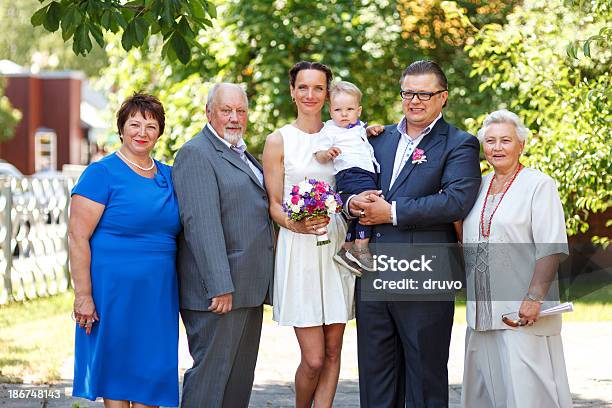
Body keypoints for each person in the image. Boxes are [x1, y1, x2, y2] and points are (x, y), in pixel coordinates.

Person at [349, 60, 481, 407]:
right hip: (373, 276)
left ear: (443, 98)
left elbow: (456, 201)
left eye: (425, 93)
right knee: (375, 377)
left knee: (425, 378)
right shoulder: (375, 140)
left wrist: (391, 213)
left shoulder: (459, 144)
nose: (415, 101)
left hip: (425, 275)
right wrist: (352, 202)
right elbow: (351, 179)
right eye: (408, 92)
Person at [69, 93, 180, 407]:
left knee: (152, 375)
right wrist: (84, 296)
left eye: (151, 126)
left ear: (159, 132)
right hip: (112, 293)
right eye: (134, 124)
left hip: (158, 295)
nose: (141, 133)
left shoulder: (170, 176)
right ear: (121, 129)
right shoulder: (100, 174)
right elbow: (77, 237)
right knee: (117, 378)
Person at [172, 83, 275, 408]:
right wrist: (220, 286)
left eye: (240, 111)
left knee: (236, 384)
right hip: (218, 294)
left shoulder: (240, 152)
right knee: (210, 383)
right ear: (208, 113)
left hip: (247, 289)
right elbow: (202, 226)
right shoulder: (197, 154)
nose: (234, 118)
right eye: (226, 110)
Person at [461, 109, 572, 408]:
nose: (497, 147)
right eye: (491, 141)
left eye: (505, 140)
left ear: (521, 144)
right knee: (482, 396)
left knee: (527, 394)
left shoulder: (539, 185)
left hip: (522, 311)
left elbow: (551, 246)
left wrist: (534, 297)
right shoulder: (477, 186)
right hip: (481, 313)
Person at [263, 61, 355, 408]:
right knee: (314, 358)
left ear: (328, 94)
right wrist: (295, 224)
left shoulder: (343, 134)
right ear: (292, 92)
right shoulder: (279, 140)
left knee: (333, 351)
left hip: (334, 245)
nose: (310, 94)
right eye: (303, 87)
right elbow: (273, 204)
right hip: (298, 245)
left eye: (319, 88)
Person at [313, 80, 380, 274]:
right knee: (370, 203)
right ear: (330, 111)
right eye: (338, 110)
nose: (343, 114)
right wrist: (328, 153)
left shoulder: (358, 127)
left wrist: (369, 130)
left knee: (362, 208)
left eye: (349, 109)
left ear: (358, 111)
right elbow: (318, 153)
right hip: (351, 172)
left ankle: (347, 248)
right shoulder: (329, 130)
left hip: (366, 172)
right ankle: (361, 246)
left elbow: (360, 139)